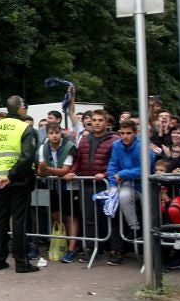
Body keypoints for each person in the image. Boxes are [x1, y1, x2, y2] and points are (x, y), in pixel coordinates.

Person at [0, 95, 39, 272]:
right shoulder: (26, 129)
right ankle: (21, 263)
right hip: (18, 181)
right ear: (21, 108)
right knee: (19, 222)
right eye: (25, 106)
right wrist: (11, 176)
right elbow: (27, 157)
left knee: (1, 220)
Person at [64, 110, 120, 262]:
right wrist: (72, 172)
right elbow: (78, 161)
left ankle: (115, 250)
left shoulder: (115, 139)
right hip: (87, 183)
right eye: (94, 120)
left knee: (110, 217)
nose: (96, 122)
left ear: (106, 122)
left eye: (100, 120)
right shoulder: (84, 139)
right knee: (89, 218)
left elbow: (116, 162)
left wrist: (106, 175)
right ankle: (91, 248)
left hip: (106, 184)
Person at [106, 119, 154, 265]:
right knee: (123, 196)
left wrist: (124, 173)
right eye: (122, 133)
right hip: (128, 184)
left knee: (150, 212)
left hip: (145, 185)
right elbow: (112, 165)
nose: (125, 136)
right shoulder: (116, 145)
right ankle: (134, 228)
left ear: (135, 133)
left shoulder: (142, 147)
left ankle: (151, 249)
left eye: (129, 133)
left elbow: (145, 167)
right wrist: (113, 185)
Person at [37, 122, 79, 263]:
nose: (54, 136)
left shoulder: (69, 146)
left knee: (71, 216)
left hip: (69, 186)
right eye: (51, 133)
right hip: (53, 186)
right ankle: (63, 244)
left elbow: (65, 170)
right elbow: (41, 172)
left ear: (60, 133)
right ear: (47, 134)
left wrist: (47, 169)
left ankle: (72, 248)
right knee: (56, 215)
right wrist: (43, 170)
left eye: (56, 133)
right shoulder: (43, 147)